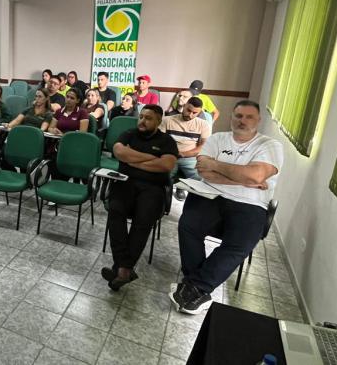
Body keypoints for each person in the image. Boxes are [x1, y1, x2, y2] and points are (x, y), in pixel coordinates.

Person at [170, 100, 283, 315]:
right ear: (231, 116)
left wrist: (217, 165)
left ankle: (194, 286)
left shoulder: (270, 146)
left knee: (240, 244)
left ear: (258, 120)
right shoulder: (217, 139)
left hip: (251, 204)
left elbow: (257, 175)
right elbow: (204, 171)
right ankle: (197, 287)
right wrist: (245, 179)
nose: (242, 121)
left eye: (249, 117)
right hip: (210, 195)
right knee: (188, 226)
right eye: (238, 116)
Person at [101, 105, 178, 291]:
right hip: (125, 183)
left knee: (143, 221)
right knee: (115, 212)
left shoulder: (167, 140)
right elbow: (119, 152)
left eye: (148, 118)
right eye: (141, 116)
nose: (142, 121)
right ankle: (125, 269)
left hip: (153, 188)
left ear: (158, 121)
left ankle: (121, 268)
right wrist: (152, 158)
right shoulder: (129, 134)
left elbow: (166, 165)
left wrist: (132, 161)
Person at [159, 97, 211, 200]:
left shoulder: (203, 124)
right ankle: (164, 203)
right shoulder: (167, 120)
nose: (190, 115)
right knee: (163, 178)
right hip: (170, 156)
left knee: (201, 180)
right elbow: (160, 141)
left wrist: (183, 154)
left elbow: (203, 146)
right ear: (185, 105)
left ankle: (192, 205)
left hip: (190, 158)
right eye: (188, 110)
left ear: (199, 112)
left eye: (195, 113)